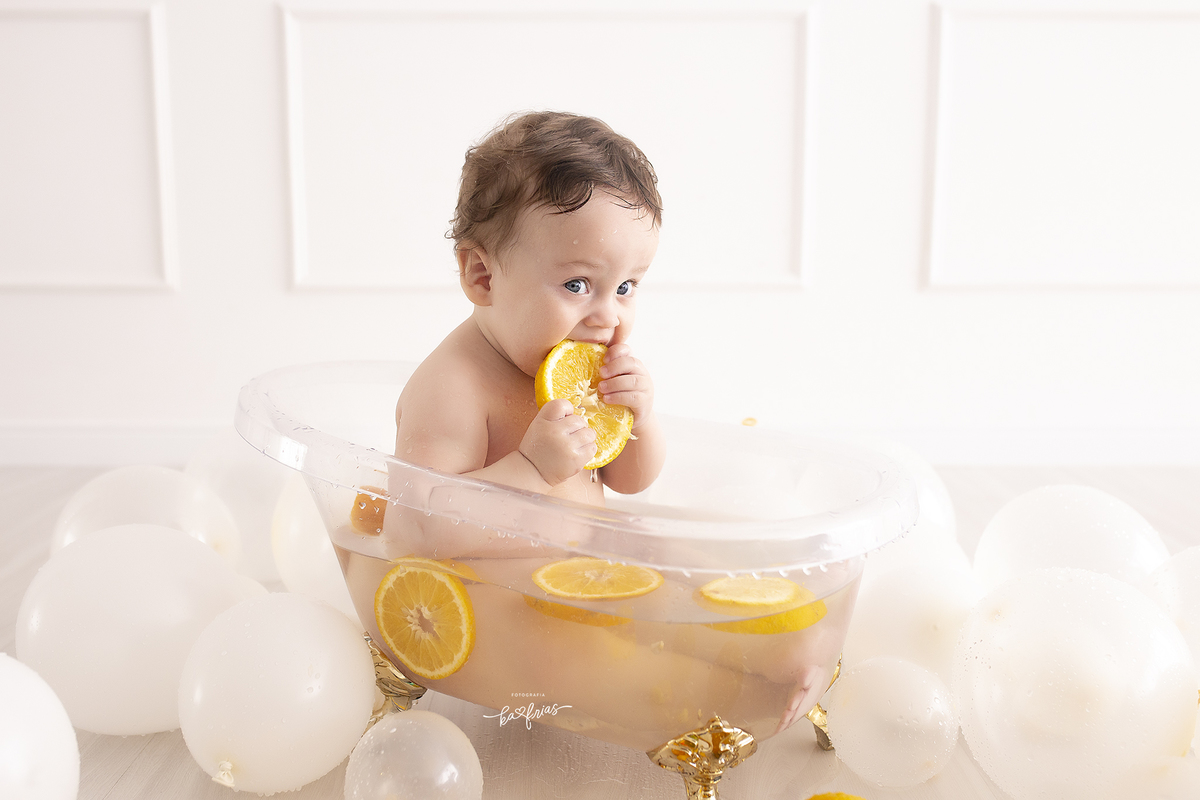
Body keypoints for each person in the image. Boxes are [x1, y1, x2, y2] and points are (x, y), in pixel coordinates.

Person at [393, 111, 666, 513]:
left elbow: (630, 483)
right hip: (482, 579)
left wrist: (639, 420)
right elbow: (417, 524)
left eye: (625, 287)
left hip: (578, 574)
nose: (608, 317)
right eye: (577, 285)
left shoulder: (588, 382)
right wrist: (530, 469)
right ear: (483, 276)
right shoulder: (454, 387)